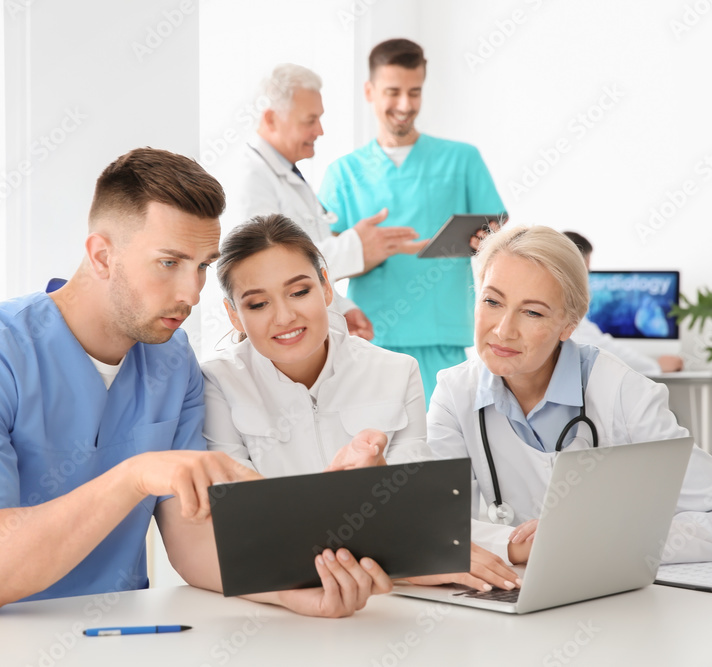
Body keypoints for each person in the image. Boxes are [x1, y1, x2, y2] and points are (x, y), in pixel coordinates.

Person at [0, 149, 393, 620]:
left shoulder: (173, 366)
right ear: (102, 255)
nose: (191, 292)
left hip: (108, 636)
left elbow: (193, 545)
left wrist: (294, 588)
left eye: (202, 267)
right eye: (169, 263)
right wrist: (136, 475)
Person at [202, 214, 522, 592]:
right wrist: (403, 552)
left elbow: (418, 517)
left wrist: (508, 542)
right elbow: (242, 528)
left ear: (325, 287)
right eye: (257, 304)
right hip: (281, 600)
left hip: (391, 598)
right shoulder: (217, 383)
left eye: (299, 291)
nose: (284, 316)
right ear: (233, 315)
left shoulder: (396, 371)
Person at [427, 224, 712, 565]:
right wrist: (516, 546)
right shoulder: (455, 393)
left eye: (532, 312)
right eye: (492, 301)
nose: (503, 330)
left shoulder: (624, 393)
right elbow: (437, 527)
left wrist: (597, 538)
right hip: (517, 593)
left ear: (569, 324)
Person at [318, 38, 505, 404]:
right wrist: (367, 251)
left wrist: (485, 242)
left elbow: (495, 235)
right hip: (370, 337)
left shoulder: (462, 160)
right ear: (370, 91)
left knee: (445, 445)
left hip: (441, 335)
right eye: (393, 92)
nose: (405, 105)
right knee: (376, 445)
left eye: (414, 92)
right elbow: (319, 264)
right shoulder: (342, 173)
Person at [220, 63, 426, 341]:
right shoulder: (251, 179)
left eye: (320, 118)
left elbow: (305, 260)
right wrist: (357, 246)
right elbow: (268, 268)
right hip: (272, 335)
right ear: (270, 120)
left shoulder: (288, 174)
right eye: (310, 120)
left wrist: (344, 309)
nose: (320, 130)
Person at [563, 231, 684, 374]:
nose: (585, 279)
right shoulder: (565, 312)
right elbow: (603, 350)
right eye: (585, 271)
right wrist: (656, 366)